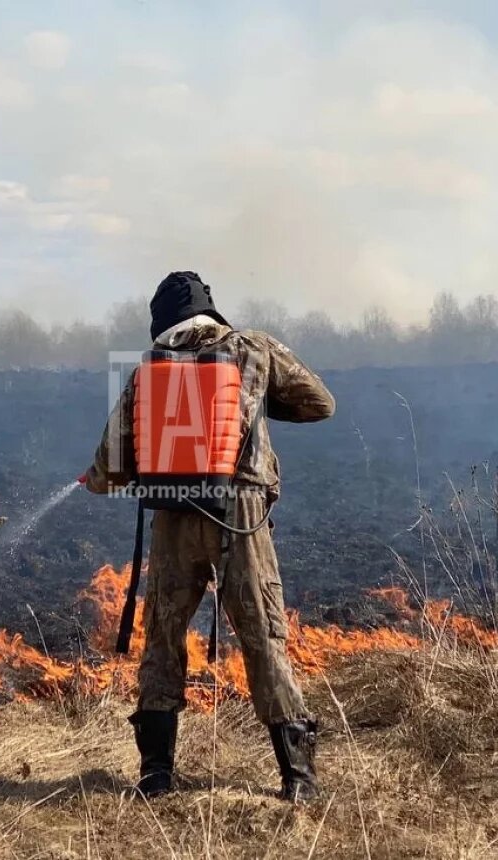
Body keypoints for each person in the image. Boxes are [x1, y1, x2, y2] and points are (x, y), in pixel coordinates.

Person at [83, 271, 336, 803]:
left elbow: (110, 467)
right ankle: (298, 778)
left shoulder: (147, 370)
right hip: (237, 515)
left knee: (163, 637)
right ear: (210, 312)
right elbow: (320, 403)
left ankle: (156, 775)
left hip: (174, 516)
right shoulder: (253, 349)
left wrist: (99, 477)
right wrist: (258, 399)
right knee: (263, 635)